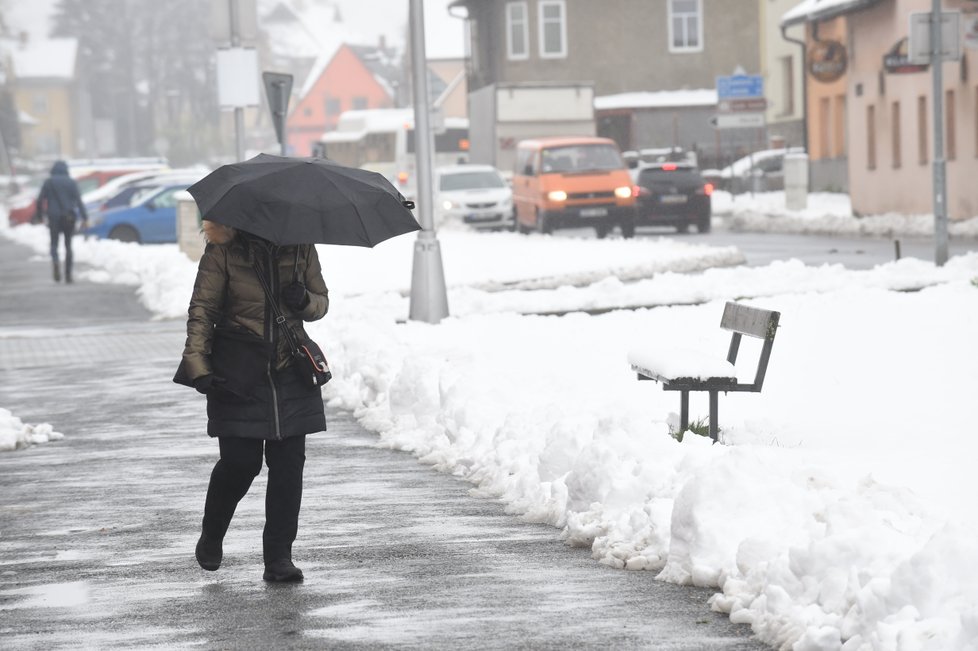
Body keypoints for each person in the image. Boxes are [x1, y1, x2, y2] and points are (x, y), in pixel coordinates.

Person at [173, 220, 329, 583]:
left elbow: (321, 303)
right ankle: (212, 533)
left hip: (290, 368)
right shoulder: (223, 249)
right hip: (238, 370)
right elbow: (203, 310)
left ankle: (279, 558)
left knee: (289, 468)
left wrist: (304, 301)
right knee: (240, 464)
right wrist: (198, 365)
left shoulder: (301, 246)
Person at [34, 160, 88, 283]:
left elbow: (39, 200)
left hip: (53, 218)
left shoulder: (48, 182)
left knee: (54, 243)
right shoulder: (71, 182)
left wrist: (40, 215)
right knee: (68, 245)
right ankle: (68, 274)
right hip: (68, 217)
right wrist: (85, 217)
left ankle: (56, 262)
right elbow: (79, 201)